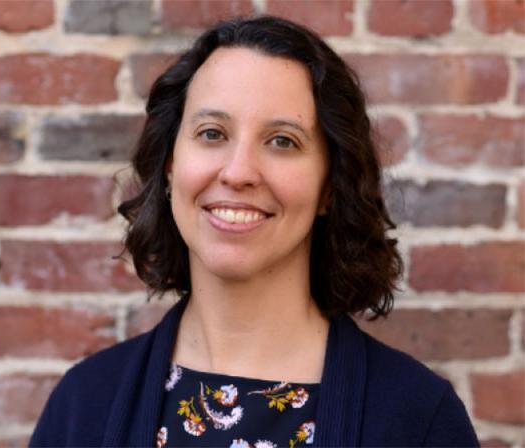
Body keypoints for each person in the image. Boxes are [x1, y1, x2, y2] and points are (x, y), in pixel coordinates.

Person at [30, 16, 479, 447]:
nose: (239, 172)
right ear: (170, 166)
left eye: (282, 141)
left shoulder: (419, 421)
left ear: (329, 185)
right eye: (211, 133)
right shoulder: (83, 405)